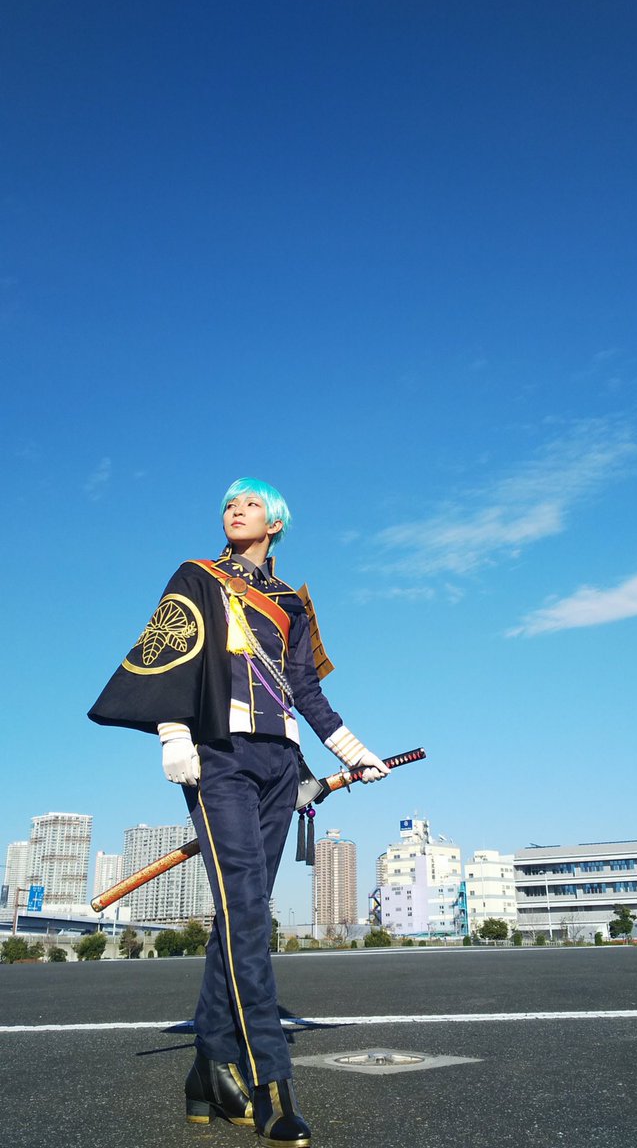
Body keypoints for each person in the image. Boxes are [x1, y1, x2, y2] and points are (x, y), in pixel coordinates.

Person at [88, 477, 389, 1148]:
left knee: (241, 914)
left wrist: (353, 751)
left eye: (251, 504)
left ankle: (207, 1070)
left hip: (282, 764)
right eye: (230, 504)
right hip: (218, 756)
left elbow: (305, 688)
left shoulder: (291, 601)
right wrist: (172, 734)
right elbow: (173, 651)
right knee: (247, 912)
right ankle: (271, 1084)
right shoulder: (197, 575)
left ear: (275, 523)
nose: (236, 511)